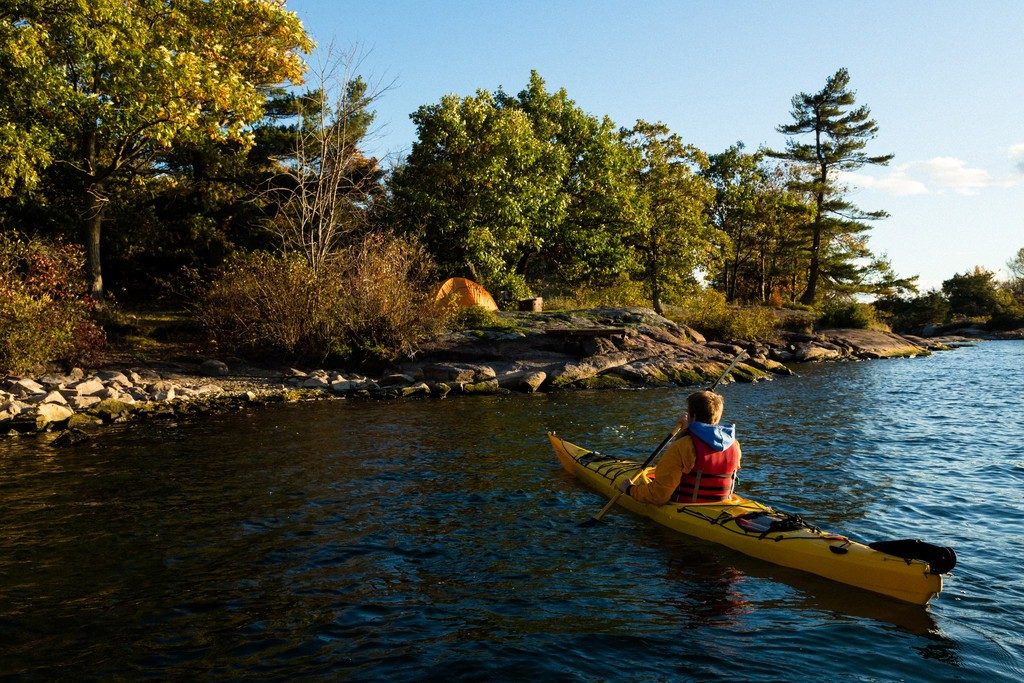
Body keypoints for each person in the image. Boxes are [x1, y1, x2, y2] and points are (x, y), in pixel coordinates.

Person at [617, 390, 741, 505]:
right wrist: (688, 428)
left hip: (687, 506)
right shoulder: (734, 444)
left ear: (693, 416)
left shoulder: (683, 445)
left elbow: (658, 496)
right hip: (722, 505)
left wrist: (630, 489)